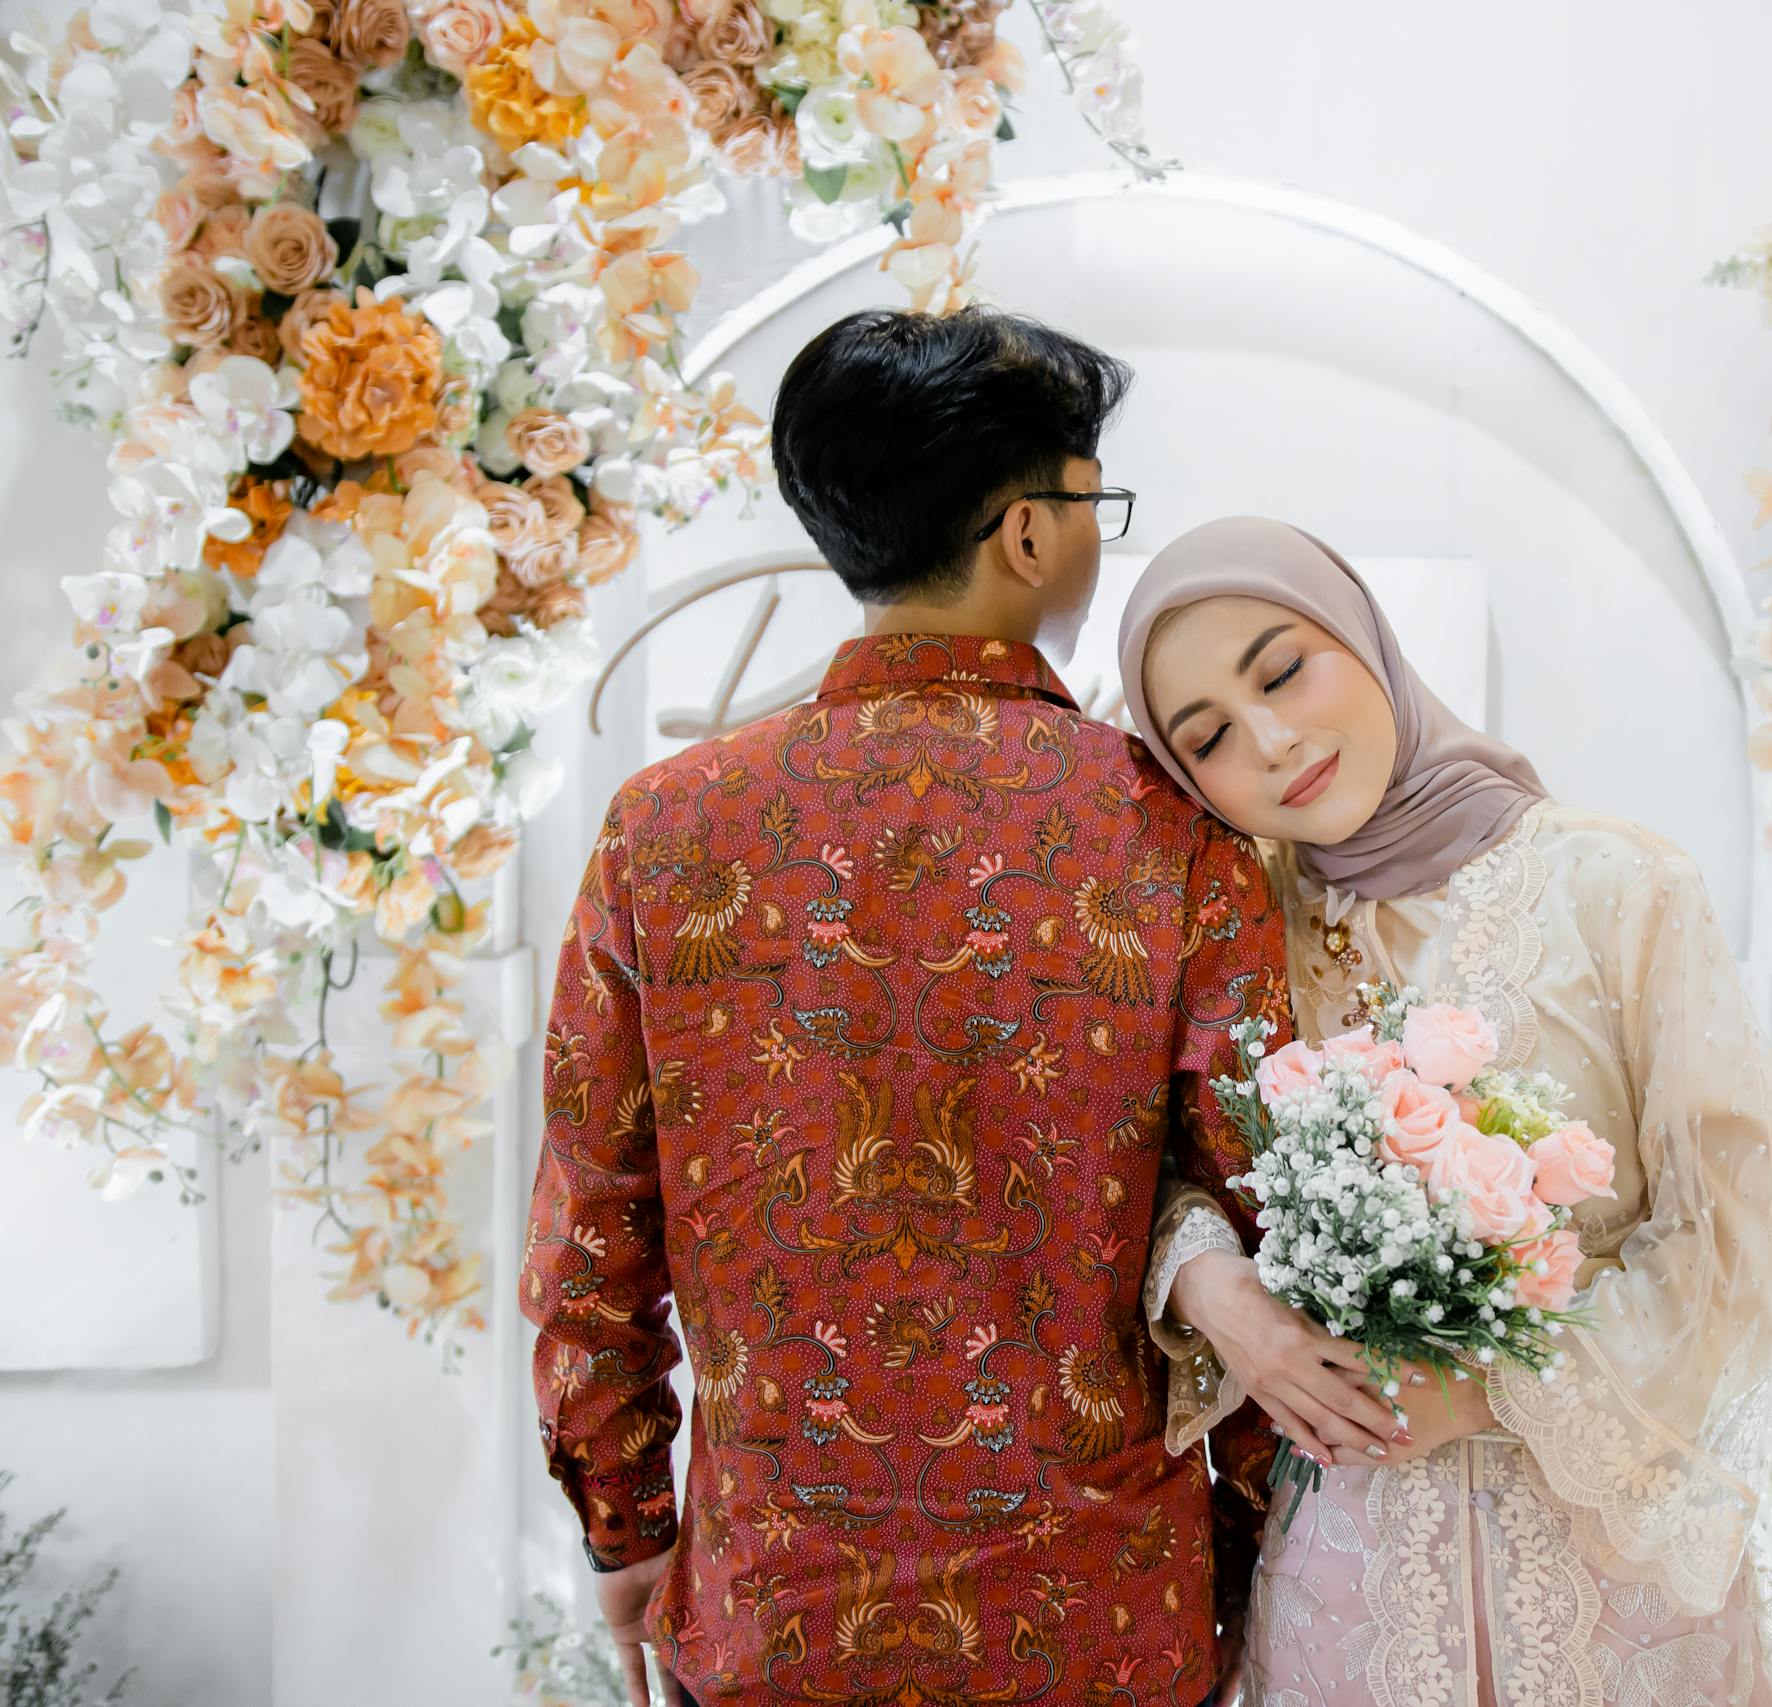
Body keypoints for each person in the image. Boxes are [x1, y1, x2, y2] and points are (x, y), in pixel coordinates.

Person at [518, 315, 1401, 1706]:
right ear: (1029, 535)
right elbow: (1258, 1212)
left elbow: (592, 1235)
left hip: (775, 1614)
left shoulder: (662, 831)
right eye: (1088, 498)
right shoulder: (1177, 837)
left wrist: (627, 1526)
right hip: (1110, 1613)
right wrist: (1239, 1543)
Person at [1121, 518, 1772, 1707]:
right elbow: (1150, 1173)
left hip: (1609, 1595)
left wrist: (1510, 1385)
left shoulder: (1615, 886)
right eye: (1210, 740)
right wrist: (1215, 1291)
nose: (1276, 739)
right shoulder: (1234, 929)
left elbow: (1745, 1234)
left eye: (1284, 669)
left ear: (1362, 636)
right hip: (1353, 1592)